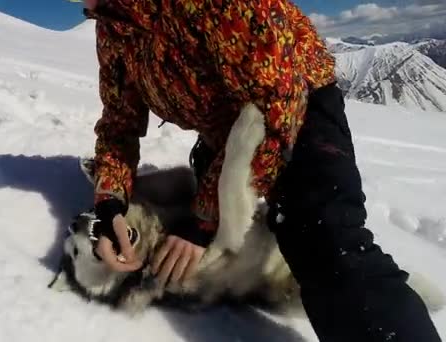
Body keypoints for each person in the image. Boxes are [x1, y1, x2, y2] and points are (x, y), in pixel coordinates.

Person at [81, 0, 442, 341]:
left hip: (299, 107)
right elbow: (119, 124)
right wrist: (110, 204)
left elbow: (275, 99)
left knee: (323, 239)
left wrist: (206, 217)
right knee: (208, 245)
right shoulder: (115, 26)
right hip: (227, 133)